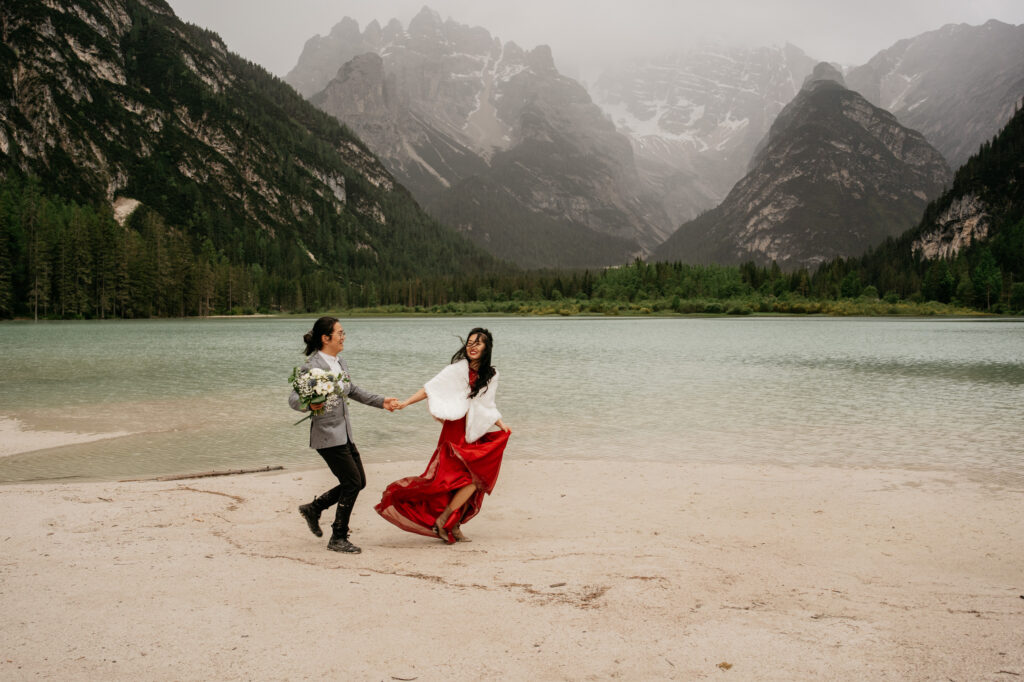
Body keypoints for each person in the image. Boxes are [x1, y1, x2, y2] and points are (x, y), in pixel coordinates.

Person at [375, 327, 510, 544]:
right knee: (460, 480)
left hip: (473, 431)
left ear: (487, 348)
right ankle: (446, 520)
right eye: (470, 342)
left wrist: (501, 424)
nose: (472, 346)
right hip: (454, 431)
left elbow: (487, 405)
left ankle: (451, 523)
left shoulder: (492, 374)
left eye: (478, 343)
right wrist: (406, 403)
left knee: (474, 480)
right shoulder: (457, 369)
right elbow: (431, 389)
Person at [289, 316, 399, 553]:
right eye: (340, 333)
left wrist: (382, 402)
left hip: (345, 433)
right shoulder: (312, 366)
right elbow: (294, 399)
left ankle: (314, 508)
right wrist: (310, 404)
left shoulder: (340, 363)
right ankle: (338, 537)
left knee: (359, 482)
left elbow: (353, 390)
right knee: (352, 483)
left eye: (343, 332)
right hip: (326, 435)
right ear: (325, 338)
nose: (343, 337)